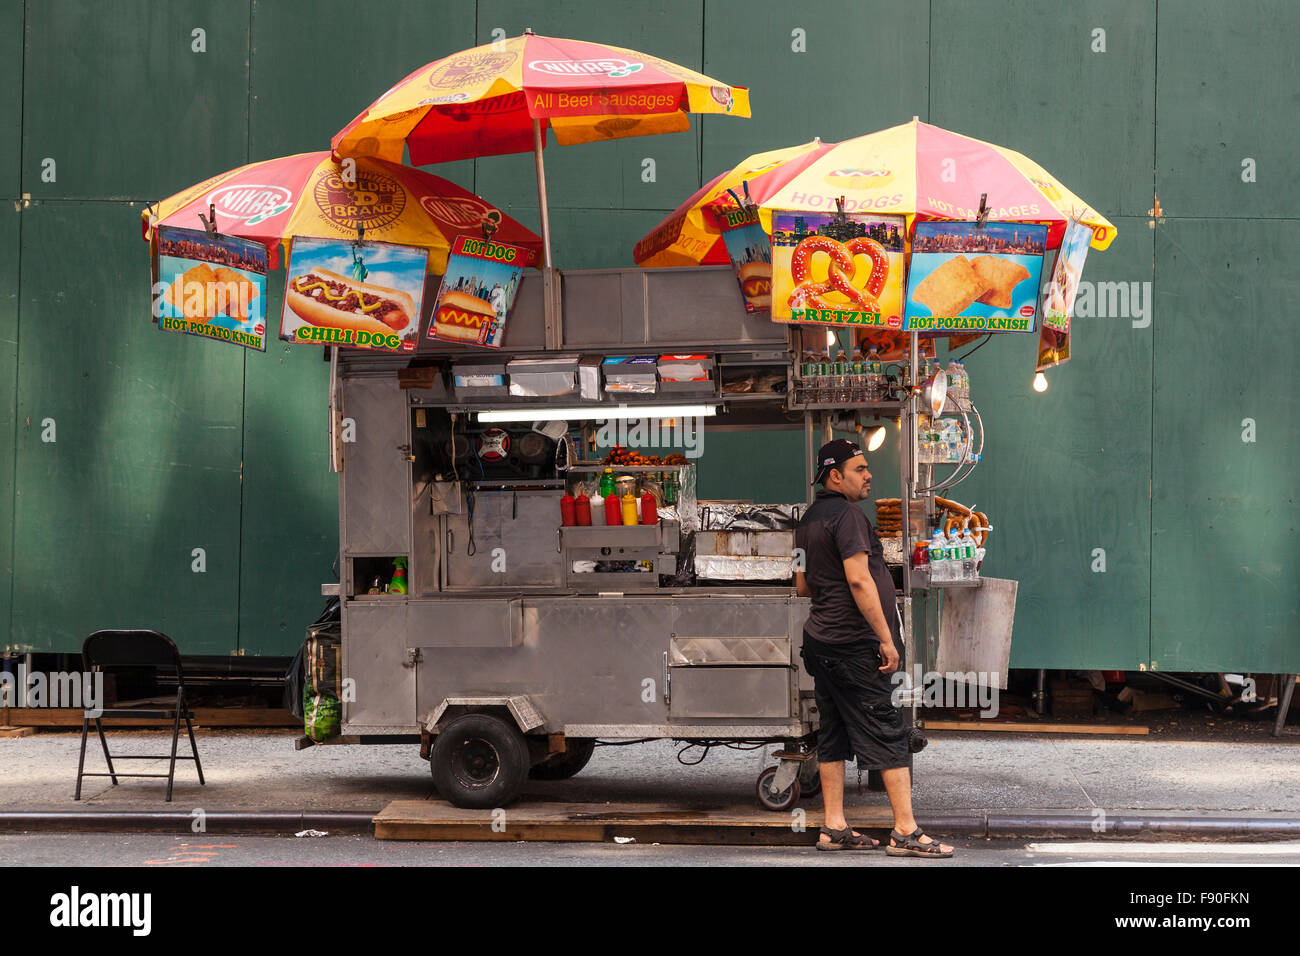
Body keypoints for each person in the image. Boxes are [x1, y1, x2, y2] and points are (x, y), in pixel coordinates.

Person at [794, 438, 954, 858]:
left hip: (820, 641)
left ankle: (833, 826)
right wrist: (885, 638)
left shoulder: (807, 519)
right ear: (836, 475)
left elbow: (801, 584)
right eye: (860, 469)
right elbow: (860, 580)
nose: (868, 475)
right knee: (886, 727)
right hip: (852, 644)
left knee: (832, 730)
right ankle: (905, 831)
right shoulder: (847, 516)